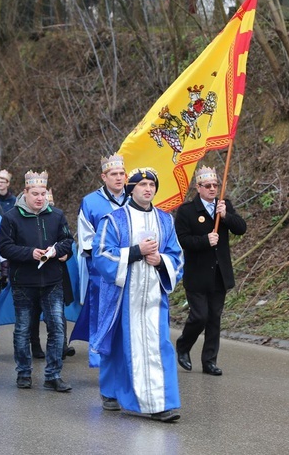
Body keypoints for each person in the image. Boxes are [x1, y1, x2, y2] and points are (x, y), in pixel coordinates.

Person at [91, 167, 184, 421]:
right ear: (131, 188)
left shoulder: (165, 220)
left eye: (152, 184)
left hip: (154, 297)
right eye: (142, 184)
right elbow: (101, 254)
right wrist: (136, 251)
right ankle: (110, 392)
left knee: (159, 346)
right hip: (123, 295)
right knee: (120, 346)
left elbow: (177, 257)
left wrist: (160, 259)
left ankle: (159, 403)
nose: (148, 188)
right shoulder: (115, 219)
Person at [0, 170, 73, 392]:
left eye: (43, 193)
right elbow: (4, 247)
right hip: (23, 282)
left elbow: (68, 240)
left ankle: (53, 374)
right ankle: (23, 372)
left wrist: (55, 251)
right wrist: (30, 253)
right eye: (35, 194)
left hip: (52, 281)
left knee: (57, 328)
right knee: (22, 329)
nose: (40, 198)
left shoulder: (57, 215)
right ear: (25, 193)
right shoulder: (11, 217)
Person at [175, 166, 247, 376]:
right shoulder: (187, 211)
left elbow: (241, 228)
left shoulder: (223, 206)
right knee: (200, 316)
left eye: (216, 185)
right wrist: (205, 241)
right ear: (198, 187)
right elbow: (183, 240)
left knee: (214, 318)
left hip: (219, 274)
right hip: (197, 274)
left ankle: (209, 361)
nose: (213, 189)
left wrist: (225, 216)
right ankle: (183, 346)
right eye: (208, 186)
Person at [73, 154, 129, 366]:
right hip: (101, 269)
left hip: (129, 264)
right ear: (103, 177)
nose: (118, 178)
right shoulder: (90, 202)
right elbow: (86, 238)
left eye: (121, 174)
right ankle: (99, 358)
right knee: (101, 312)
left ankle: (123, 358)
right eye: (113, 174)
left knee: (125, 312)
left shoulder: (133, 199)